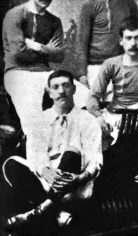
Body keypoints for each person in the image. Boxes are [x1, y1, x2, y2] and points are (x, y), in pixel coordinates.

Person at [2, 70, 102, 232]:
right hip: (45, 183)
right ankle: (56, 213)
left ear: (74, 89)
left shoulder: (88, 120)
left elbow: (95, 162)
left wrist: (78, 178)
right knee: (11, 163)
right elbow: (35, 156)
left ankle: (41, 211)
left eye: (66, 86)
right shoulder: (40, 121)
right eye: (55, 87)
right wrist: (45, 171)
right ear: (49, 92)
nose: (61, 91)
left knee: (71, 152)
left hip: (73, 185)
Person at [2, 0, 88, 144]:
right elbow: (18, 54)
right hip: (18, 73)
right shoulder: (15, 15)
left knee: (85, 97)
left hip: (44, 73)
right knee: (32, 118)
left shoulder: (54, 21)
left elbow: (59, 56)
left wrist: (37, 46)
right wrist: (48, 50)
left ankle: (68, 149)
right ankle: (35, 163)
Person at [86, 16, 138, 179]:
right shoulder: (111, 64)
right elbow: (93, 97)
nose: (133, 43)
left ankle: (122, 197)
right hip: (113, 116)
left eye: (137, 38)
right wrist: (99, 117)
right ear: (121, 41)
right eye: (128, 38)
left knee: (126, 151)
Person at [75, 0, 138, 92]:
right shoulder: (89, 5)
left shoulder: (129, 3)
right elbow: (81, 44)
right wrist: (82, 76)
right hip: (95, 69)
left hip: (123, 68)